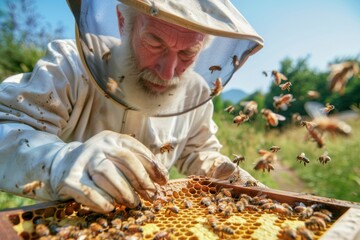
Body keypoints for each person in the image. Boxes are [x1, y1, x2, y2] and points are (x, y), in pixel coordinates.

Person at [0, 0, 264, 213]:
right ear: (123, 22)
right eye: (155, 43)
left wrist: (225, 173)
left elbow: (198, 153)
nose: (168, 71)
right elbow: (8, 130)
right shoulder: (71, 65)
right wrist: (62, 161)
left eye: (187, 54)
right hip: (71, 221)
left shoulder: (195, 90)